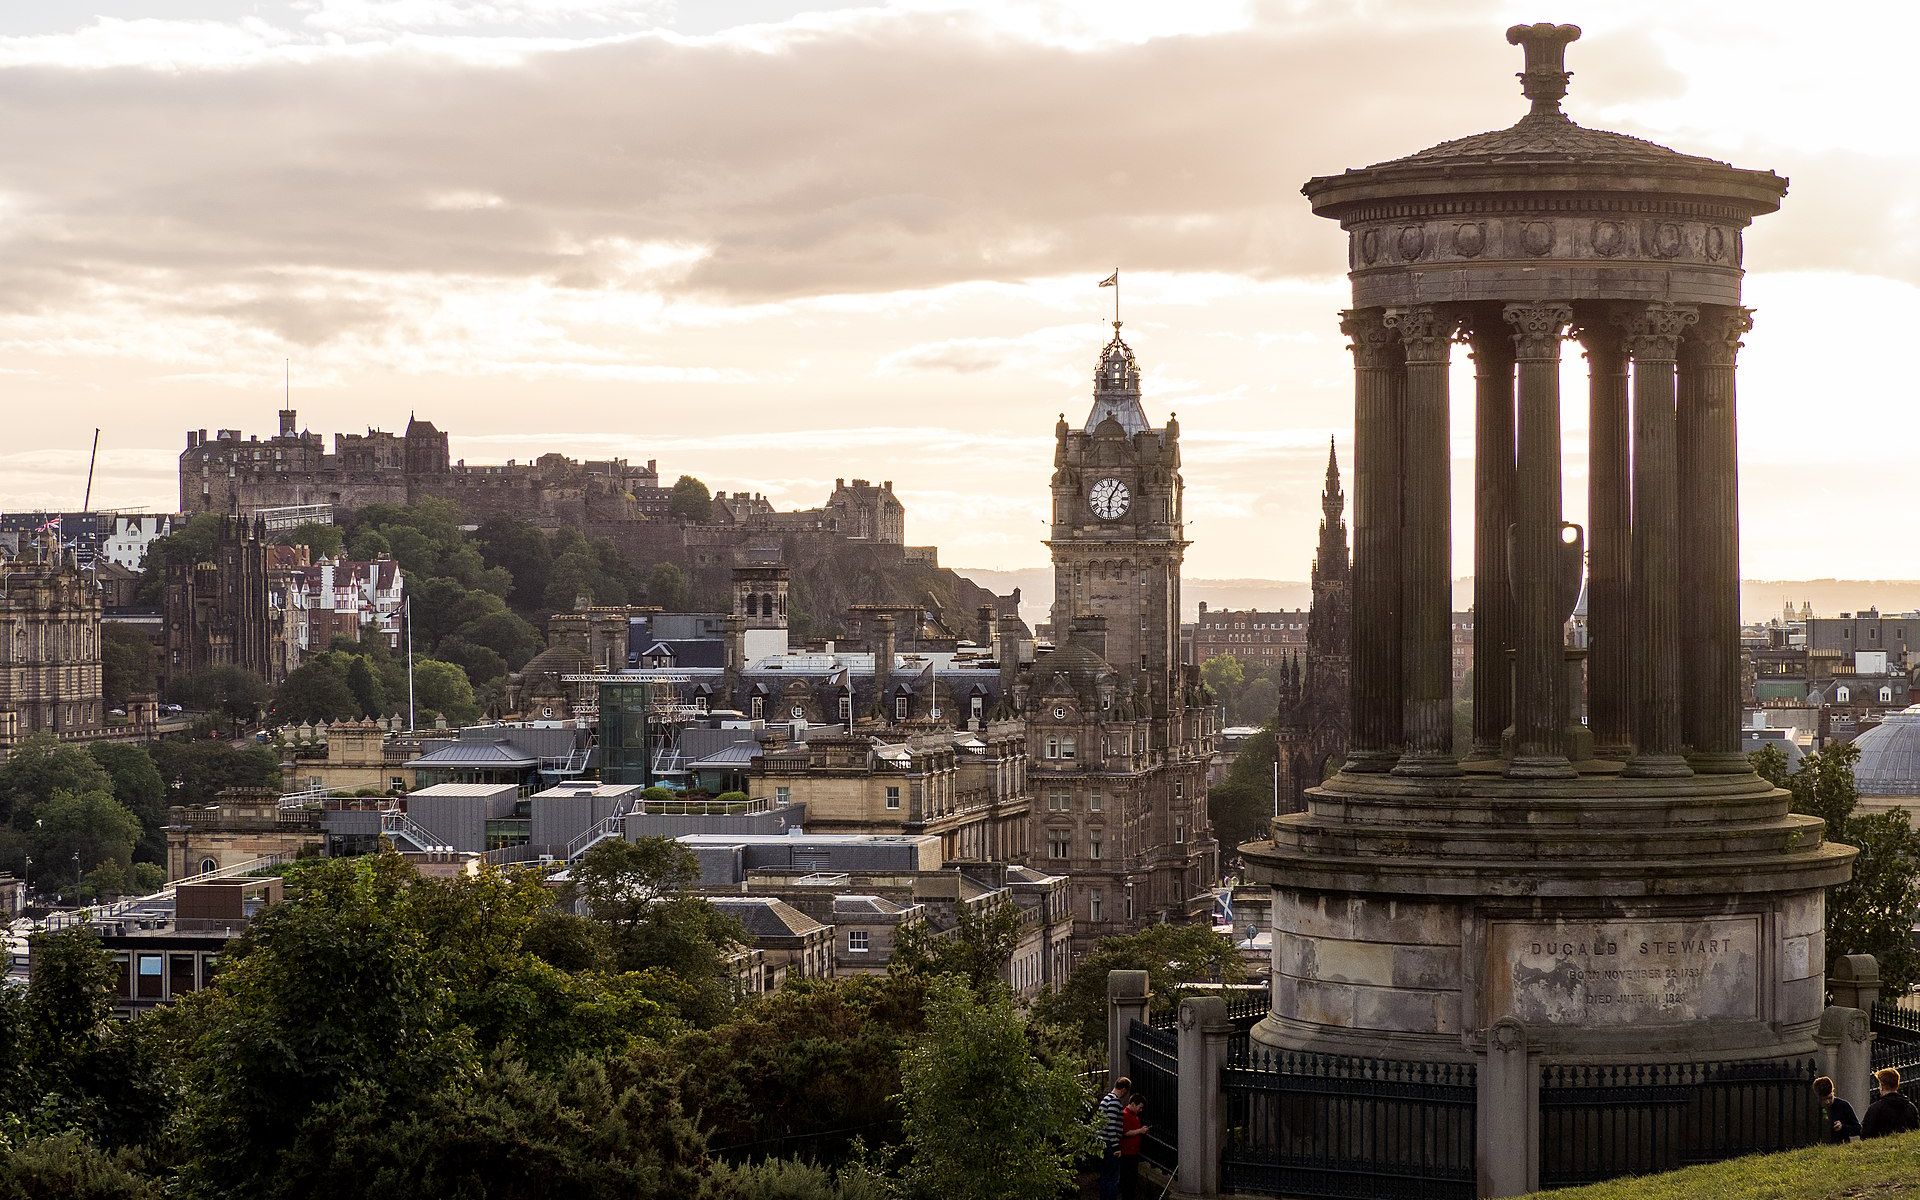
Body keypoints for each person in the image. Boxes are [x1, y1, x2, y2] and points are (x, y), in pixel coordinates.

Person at [1096, 1077, 1132, 1200]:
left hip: (1102, 1143)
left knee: (1104, 1176)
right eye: (1126, 1092)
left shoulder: (1105, 1099)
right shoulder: (1115, 1102)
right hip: (1110, 1144)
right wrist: (1116, 1146)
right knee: (1112, 1178)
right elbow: (1111, 1125)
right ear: (1123, 1089)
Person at [1861, 1067, 1920, 1139]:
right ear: (1897, 1085)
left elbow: (1865, 1135)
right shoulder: (1911, 1107)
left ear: (1881, 1086)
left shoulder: (1875, 1108)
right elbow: (1915, 1131)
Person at [1117, 1093, 1151, 1200]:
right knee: (1127, 1181)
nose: (1140, 1110)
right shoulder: (1125, 1115)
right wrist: (1140, 1131)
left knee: (1132, 1181)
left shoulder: (1133, 1115)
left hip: (1133, 1152)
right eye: (1139, 1107)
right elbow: (1125, 1132)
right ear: (1132, 1104)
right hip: (1127, 1153)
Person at [1815, 1075, 1860, 1143]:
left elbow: (1858, 1128)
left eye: (1830, 1097)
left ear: (1833, 1092)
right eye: (1823, 1099)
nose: (1827, 1102)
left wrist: (1842, 1127)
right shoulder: (1814, 1107)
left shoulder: (1843, 1105)